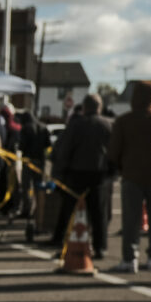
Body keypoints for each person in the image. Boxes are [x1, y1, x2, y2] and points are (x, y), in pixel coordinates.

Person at [107, 81, 151, 273]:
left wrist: (122, 163)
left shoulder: (124, 121)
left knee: (131, 219)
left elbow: (113, 151)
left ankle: (129, 258)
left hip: (131, 174)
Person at [49, 94, 113, 258]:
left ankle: (61, 240)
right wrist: (112, 173)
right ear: (99, 108)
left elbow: (65, 150)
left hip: (76, 174)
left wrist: (58, 173)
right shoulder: (108, 125)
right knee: (98, 213)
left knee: (68, 211)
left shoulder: (76, 125)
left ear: (84, 107)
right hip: (99, 175)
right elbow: (115, 152)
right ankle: (100, 247)